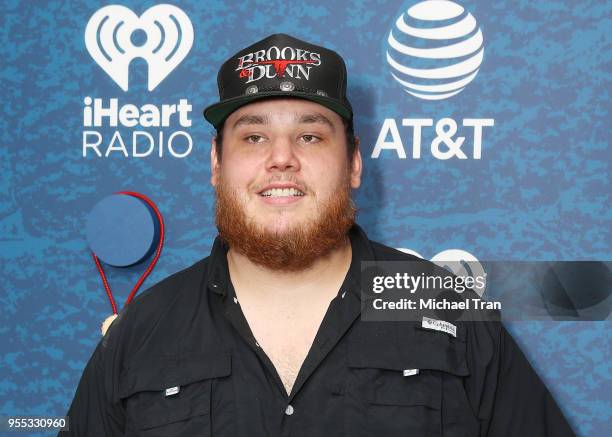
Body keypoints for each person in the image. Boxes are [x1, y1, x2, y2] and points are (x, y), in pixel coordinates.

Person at [61, 33, 576, 436]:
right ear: (216, 164)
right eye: (254, 136)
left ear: (353, 162)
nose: (281, 158)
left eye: (310, 135)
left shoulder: (445, 307)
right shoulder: (144, 330)